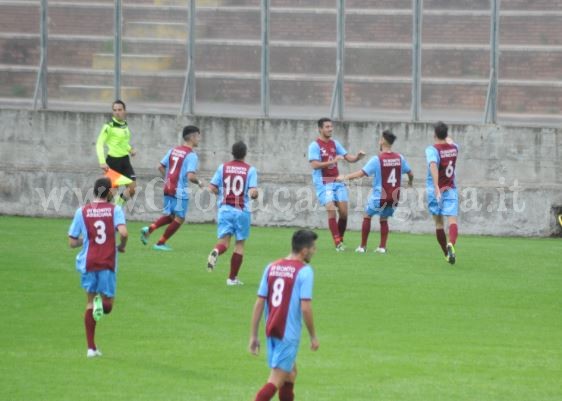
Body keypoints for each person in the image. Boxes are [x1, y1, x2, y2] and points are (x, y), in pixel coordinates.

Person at [249, 229, 319, 401]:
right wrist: (313, 336)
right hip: (288, 334)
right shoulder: (305, 271)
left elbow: (259, 302)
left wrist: (253, 335)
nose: (314, 251)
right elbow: (305, 308)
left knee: (291, 373)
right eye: (313, 248)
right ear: (304, 250)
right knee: (276, 380)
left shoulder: (272, 267)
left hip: (272, 329)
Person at [68, 177, 128, 358]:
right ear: (109, 192)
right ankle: (101, 305)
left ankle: (91, 348)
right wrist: (122, 246)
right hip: (107, 261)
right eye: (114, 190)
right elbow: (124, 232)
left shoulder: (82, 211)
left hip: (88, 261)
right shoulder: (114, 210)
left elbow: (72, 242)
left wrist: (84, 240)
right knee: (108, 304)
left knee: (89, 302)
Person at [337, 130, 413, 253]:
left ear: (382, 140)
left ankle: (362, 247)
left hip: (379, 195)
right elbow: (410, 173)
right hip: (394, 196)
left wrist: (345, 177)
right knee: (384, 219)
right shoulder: (400, 158)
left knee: (367, 216)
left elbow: (361, 173)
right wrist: (410, 182)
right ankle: (382, 247)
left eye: (380, 138)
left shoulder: (377, 159)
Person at [140, 125, 203, 251]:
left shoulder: (173, 150)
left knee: (171, 216)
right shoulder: (191, 155)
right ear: (192, 137)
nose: (199, 139)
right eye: (198, 136)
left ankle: (149, 229)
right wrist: (200, 182)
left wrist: (168, 178)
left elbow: (160, 166)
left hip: (168, 188)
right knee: (180, 218)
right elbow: (191, 176)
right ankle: (160, 243)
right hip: (180, 190)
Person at [308, 117, 365, 251]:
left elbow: (348, 157)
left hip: (337, 181)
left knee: (344, 213)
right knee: (331, 210)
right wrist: (332, 161)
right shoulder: (314, 145)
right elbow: (314, 165)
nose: (330, 129)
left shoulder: (335, 143)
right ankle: (338, 243)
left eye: (331, 126)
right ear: (320, 129)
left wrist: (357, 157)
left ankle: (340, 239)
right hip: (323, 182)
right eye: (327, 127)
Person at [206, 141, 258, 286]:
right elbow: (253, 191)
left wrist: (221, 193)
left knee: (223, 243)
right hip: (241, 210)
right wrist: (254, 195)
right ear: (245, 153)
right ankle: (232, 278)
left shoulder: (223, 167)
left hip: (225, 209)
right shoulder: (250, 170)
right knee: (239, 244)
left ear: (232, 153)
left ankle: (216, 251)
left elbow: (211, 187)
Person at [426, 121, 459, 264]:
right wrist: (447, 138)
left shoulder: (432, 150)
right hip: (450, 189)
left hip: (436, 191)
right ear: (446, 135)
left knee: (439, 224)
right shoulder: (455, 148)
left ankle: (446, 253)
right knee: (452, 221)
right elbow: (451, 141)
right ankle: (451, 242)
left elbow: (433, 165)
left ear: (434, 135)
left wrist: (436, 186)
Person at [96, 100, 137, 206]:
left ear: (124, 111)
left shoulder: (124, 125)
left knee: (132, 188)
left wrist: (130, 149)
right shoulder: (108, 126)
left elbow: (122, 142)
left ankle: (117, 205)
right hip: (113, 161)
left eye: (119, 110)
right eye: (114, 110)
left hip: (125, 161)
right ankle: (103, 210)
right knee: (111, 192)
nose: (117, 112)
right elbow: (99, 143)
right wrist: (102, 161)